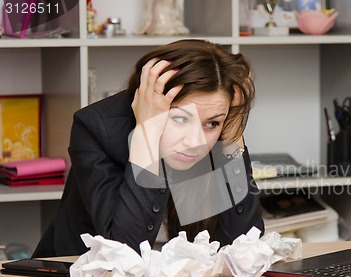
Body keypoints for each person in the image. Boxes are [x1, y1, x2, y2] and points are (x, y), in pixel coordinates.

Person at [32, 39, 265, 257]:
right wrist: (148, 134)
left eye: (212, 123)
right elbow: (124, 252)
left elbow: (244, 249)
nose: (195, 141)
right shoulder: (96, 128)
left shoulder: (223, 132)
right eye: (180, 119)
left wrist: (232, 136)